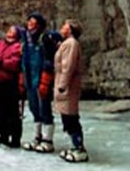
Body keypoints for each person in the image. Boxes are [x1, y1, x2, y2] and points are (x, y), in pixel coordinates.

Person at [19, 12, 58, 153]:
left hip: (41, 78)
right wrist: (22, 78)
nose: (31, 25)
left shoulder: (45, 39)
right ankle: (37, 136)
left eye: (34, 23)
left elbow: (49, 60)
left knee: (44, 107)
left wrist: (46, 80)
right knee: (34, 108)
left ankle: (48, 139)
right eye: (29, 22)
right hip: (30, 78)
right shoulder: (26, 40)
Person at [54, 19, 88, 162]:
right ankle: (75, 146)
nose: (62, 28)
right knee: (67, 116)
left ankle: (79, 147)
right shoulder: (67, 43)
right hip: (64, 84)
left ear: (70, 29)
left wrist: (62, 84)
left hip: (68, 86)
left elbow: (68, 66)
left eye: (65, 26)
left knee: (71, 118)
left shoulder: (71, 44)